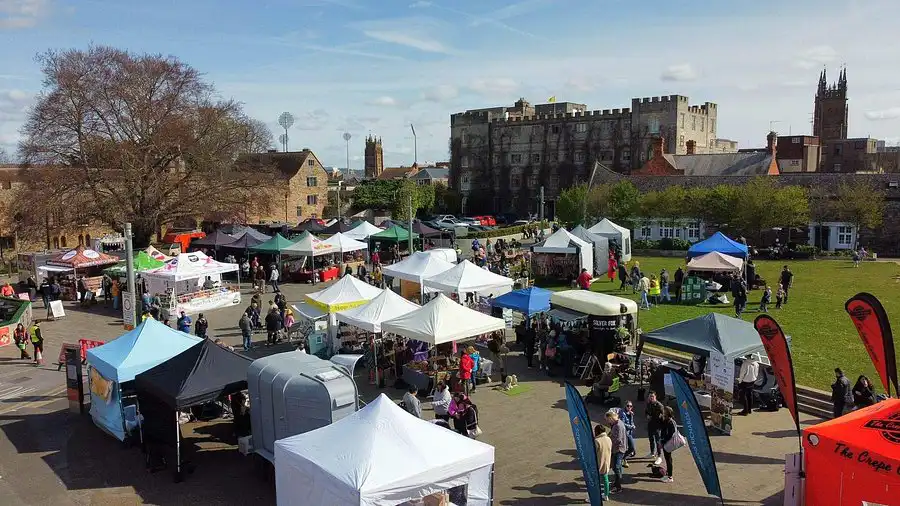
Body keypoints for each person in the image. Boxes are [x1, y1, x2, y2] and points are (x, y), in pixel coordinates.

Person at [605, 408, 626, 494]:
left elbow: (618, 439)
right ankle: (617, 482)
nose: (607, 422)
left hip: (619, 449)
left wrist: (609, 441)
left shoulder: (618, 425)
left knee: (616, 467)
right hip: (617, 449)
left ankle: (618, 487)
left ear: (611, 418)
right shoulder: (616, 423)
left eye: (607, 420)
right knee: (616, 466)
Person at [659, 406, 678, 483]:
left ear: (667, 412)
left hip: (668, 443)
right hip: (666, 442)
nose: (663, 412)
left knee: (668, 459)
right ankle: (668, 473)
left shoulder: (670, 422)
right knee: (668, 459)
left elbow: (670, 434)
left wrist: (662, 442)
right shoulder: (666, 420)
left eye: (664, 411)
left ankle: (670, 477)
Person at [594, 424, 612, 501]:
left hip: (598, 462)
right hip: (606, 461)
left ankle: (594, 497)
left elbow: (593, 453)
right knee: (605, 479)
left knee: (595, 481)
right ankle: (606, 495)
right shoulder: (608, 439)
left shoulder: (596, 441)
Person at [645, 390, 664, 462]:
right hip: (650, 424)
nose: (651, 398)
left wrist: (659, 418)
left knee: (658, 441)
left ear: (655, 396)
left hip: (657, 426)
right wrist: (647, 415)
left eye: (652, 396)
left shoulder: (659, 405)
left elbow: (663, 415)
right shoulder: (648, 403)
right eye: (650, 396)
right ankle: (652, 453)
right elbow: (646, 412)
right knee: (651, 439)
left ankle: (659, 456)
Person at [618, 401, 637, 467]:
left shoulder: (631, 413)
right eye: (628, 406)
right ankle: (622, 459)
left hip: (629, 433)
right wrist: (631, 427)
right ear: (625, 406)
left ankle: (623, 458)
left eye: (631, 406)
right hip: (625, 433)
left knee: (631, 448)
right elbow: (622, 424)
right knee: (631, 448)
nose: (629, 407)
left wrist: (633, 425)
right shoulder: (623, 413)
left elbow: (631, 422)